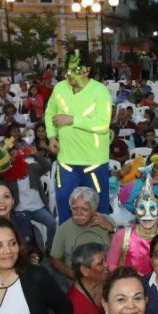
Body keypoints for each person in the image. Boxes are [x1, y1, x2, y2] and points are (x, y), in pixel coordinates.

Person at [46, 50, 113, 223]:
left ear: (87, 70)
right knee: (64, 204)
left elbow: (103, 124)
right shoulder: (60, 88)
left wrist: (72, 120)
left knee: (99, 208)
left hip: (94, 162)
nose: (70, 74)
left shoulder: (100, 91)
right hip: (66, 161)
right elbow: (50, 112)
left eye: (75, 70)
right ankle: (67, 239)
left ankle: (100, 238)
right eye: (67, 70)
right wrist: (52, 136)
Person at [50, 187, 114, 280]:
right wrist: (72, 274)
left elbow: (124, 248)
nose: (78, 213)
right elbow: (55, 260)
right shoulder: (63, 229)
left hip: (105, 277)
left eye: (84, 209)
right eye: (74, 209)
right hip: (76, 279)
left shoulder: (107, 221)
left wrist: (112, 229)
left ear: (94, 210)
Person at [107, 180, 158, 274]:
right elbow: (110, 265)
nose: (147, 215)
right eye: (142, 208)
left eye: (152, 208)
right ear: (136, 212)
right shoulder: (123, 235)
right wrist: (129, 275)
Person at [59, 242, 107, 314]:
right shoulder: (75, 303)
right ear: (85, 270)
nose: (106, 265)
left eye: (105, 260)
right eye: (100, 263)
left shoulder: (105, 283)